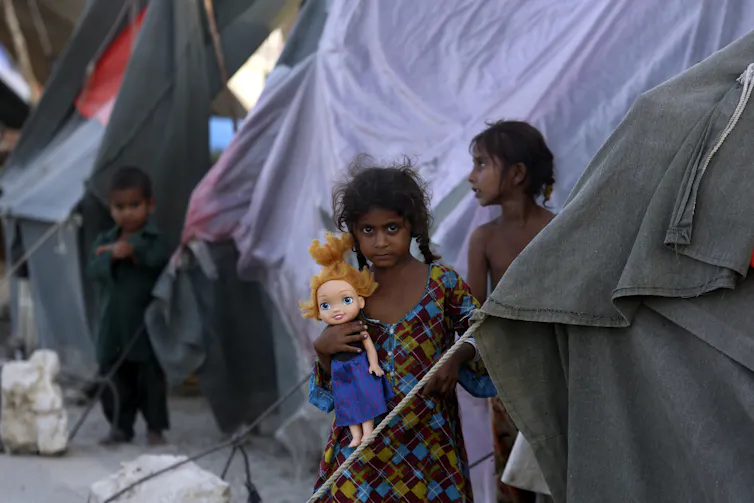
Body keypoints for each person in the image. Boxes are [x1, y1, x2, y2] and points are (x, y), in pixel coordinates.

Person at [309, 157, 497, 502]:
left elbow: (484, 333)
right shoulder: (346, 295)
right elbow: (336, 389)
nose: (380, 241)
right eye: (368, 230)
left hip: (430, 452)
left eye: (391, 228)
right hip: (361, 458)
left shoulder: (443, 286)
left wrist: (457, 357)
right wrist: (323, 350)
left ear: (413, 226)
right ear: (353, 232)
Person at [466, 120, 555, 503]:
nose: (472, 176)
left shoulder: (557, 229)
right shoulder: (484, 239)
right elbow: (474, 316)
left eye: (482, 164)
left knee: (557, 464)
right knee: (512, 475)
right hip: (506, 379)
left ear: (517, 174)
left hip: (556, 372)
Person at [87, 166, 171, 446]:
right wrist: (111, 257)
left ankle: (155, 428)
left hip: (145, 327)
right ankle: (120, 427)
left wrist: (134, 252)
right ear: (110, 209)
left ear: (150, 205)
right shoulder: (105, 241)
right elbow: (94, 270)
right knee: (114, 381)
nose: (127, 213)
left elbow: (161, 260)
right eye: (119, 207)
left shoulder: (153, 240)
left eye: (135, 205)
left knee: (150, 382)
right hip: (113, 329)